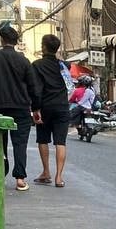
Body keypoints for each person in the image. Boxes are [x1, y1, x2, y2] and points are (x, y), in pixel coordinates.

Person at [0, 24, 41, 192]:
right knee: (20, 143)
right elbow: (33, 87)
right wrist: (36, 109)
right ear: (16, 41)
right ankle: (20, 179)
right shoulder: (24, 60)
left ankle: (1, 174)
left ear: (1, 40)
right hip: (20, 107)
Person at [31, 34, 70, 187]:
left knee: (43, 139)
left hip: (45, 107)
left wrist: (35, 108)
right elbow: (70, 86)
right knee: (61, 142)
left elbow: (36, 89)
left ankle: (46, 171)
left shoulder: (37, 65)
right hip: (62, 106)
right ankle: (59, 177)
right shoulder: (64, 66)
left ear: (43, 47)